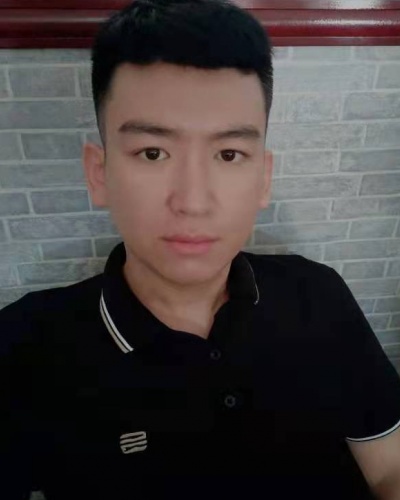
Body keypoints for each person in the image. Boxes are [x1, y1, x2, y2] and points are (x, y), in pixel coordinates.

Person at [1, 0, 400, 498]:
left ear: (263, 178)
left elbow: (388, 468)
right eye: (153, 153)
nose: (193, 201)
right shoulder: (21, 349)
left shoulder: (318, 294)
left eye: (229, 154)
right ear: (99, 174)